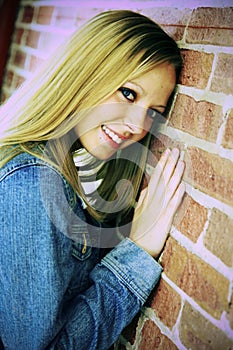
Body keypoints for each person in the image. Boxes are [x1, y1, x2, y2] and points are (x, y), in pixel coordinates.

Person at [0, 10, 185, 350]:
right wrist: (139, 251)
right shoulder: (31, 183)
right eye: (129, 94)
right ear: (84, 73)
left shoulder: (49, 178)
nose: (137, 126)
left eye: (154, 112)